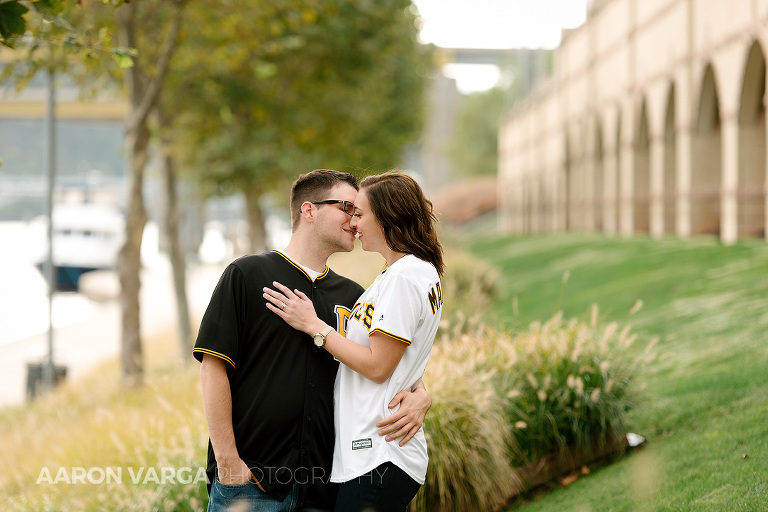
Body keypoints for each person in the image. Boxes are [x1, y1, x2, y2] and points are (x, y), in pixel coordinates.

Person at [193, 169, 432, 512]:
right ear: (309, 211)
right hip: (252, 483)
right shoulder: (247, 275)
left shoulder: (355, 297)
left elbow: (389, 362)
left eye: (359, 212)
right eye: (347, 208)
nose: (355, 220)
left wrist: (422, 395)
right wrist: (229, 461)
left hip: (325, 487)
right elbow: (213, 368)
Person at [263, 171, 444, 512]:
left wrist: (314, 326)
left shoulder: (405, 277)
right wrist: (421, 394)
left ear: (387, 216)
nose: (353, 222)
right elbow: (404, 361)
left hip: (380, 454)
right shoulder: (403, 273)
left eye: (360, 213)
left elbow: (378, 366)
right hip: (372, 454)